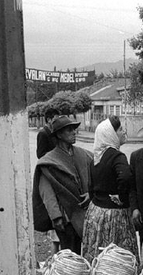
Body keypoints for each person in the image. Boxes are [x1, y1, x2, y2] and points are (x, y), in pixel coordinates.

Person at [32, 116, 92, 254]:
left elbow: (95, 177)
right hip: (66, 218)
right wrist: (56, 216)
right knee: (70, 254)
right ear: (59, 134)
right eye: (69, 130)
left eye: (74, 129)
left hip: (86, 214)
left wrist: (91, 194)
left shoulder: (83, 155)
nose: (74, 132)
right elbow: (46, 191)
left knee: (87, 253)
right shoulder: (49, 161)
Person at [81, 116, 137, 262]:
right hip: (114, 216)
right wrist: (122, 198)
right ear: (111, 134)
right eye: (120, 129)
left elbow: (91, 185)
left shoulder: (97, 157)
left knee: (98, 253)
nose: (124, 132)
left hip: (96, 213)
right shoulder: (117, 156)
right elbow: (125, 177)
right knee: (117, 259)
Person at [35, 107, 61, 255]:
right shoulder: (43, 133)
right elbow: (40, 154)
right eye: (55, 119)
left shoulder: (54, 132)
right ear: (49, 119)